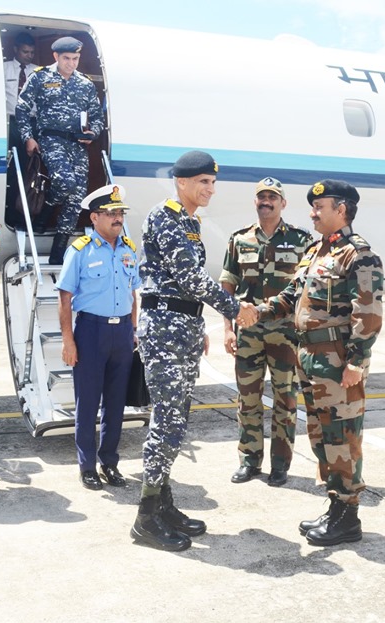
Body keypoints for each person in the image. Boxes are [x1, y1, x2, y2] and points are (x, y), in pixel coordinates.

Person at [131, 150, 258, 552]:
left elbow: (184, 286)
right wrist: (235, 309)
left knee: (177, 420)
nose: (210, 189)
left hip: (181, 327)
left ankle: (163, 502)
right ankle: (146, 517)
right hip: (165, 330)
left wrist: (199, 325)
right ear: (181, 182)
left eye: (212, 182)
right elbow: (188, 277)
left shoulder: (188, 221)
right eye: (203, 181)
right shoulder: (165, 217)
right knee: (166, 424)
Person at [258, 179, 383, 547]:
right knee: (320, 436)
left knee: (342, 438)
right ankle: (335, 506)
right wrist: (259, 311)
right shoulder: (316, 252)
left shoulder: (358, 255)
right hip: (309, 359)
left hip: (338, 361)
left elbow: (369, 314)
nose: (312, 212)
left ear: (341, 210)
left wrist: (357, 362)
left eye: (320, 206)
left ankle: (348, 515)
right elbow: (292, 294)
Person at [219, 177, 312, 487]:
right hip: (248, 334)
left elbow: (308, 288)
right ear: (255, 202)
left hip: (285, 334)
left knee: (286, 400)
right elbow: (227, 286)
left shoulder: (301, 241)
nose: (266, 201)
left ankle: (281, 464)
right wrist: (227, 329)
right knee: (248, 400)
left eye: (273, 197)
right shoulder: (239, 239)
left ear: (283, 203)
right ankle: (249, 461)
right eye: (262, 197)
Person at [56, 184, 140, 491]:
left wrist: (133, 330)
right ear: (94, 217)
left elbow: (133, 292)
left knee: (116, 404)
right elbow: (64, 297)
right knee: (88, 403)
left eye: (120, 213)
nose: (118, 218)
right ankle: (87, 466)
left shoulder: (129, 248)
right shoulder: (80, 250)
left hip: (122, 334)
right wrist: (68, 341)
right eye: (111, 213)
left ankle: (110, 462)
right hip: (91, 331)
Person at [15, 36, 105, 264]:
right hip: (50, 139)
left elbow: (97, 116)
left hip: (77, 144)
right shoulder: (41, 77)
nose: (72, 63)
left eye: (76, 59)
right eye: (67, 58)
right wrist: (28, 137)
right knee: (65, 182)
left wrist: (93, 133)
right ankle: (44, 212)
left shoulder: (84, 83)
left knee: (76, 197)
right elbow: (22, 108)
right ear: (56, 56)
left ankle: (58, 250)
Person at [4, 32, 37, 218]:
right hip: (10, 121)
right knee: (9, 166)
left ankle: (24, 212)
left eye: (32, 52)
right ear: (16, 49)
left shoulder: (38, 71)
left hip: (31, 122)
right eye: (25, 51)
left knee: (27, 168)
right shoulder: (4, 69)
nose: (29, 55)